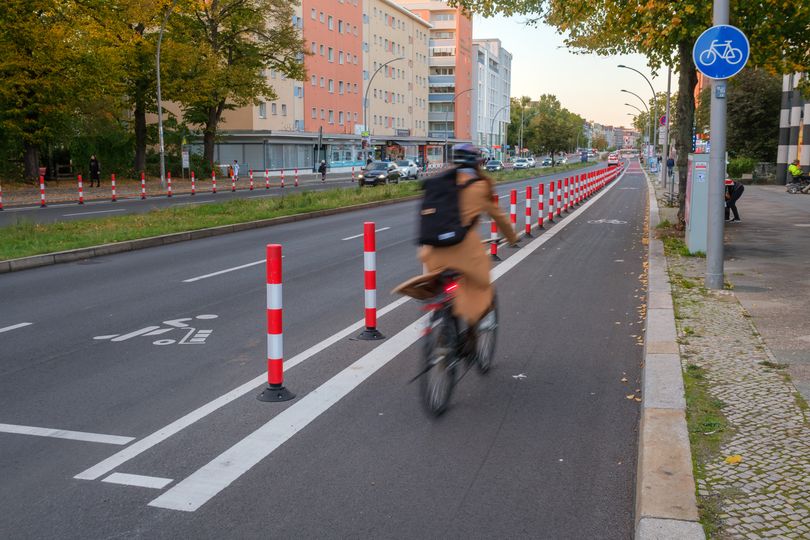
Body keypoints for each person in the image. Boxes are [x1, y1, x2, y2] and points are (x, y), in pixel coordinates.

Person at [418, 144, 518, 328]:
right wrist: (512, 238)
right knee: (481, 282)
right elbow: (499, 217)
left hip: (431, 253)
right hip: (463, 252)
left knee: (442, 288)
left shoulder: (438, 182)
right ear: (478, 162)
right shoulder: (480, 185)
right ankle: (483, 318)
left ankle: (437, 329)